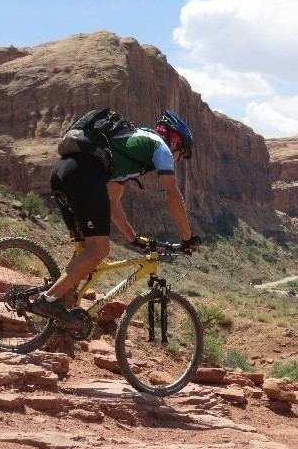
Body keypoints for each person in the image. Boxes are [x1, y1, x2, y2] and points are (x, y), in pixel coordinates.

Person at [31, 109, 201, 320]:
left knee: (86, 248)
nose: (178, 159)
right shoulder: (160, 146)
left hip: (62, 172)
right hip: (85, 172)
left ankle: (61, 316)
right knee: (100, 248)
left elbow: (112, 201)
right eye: (182, 153)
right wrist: (187, 238)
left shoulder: (129, 145)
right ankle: (47, 299)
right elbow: (172, 194)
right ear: (175, 141)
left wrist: (133, 239)